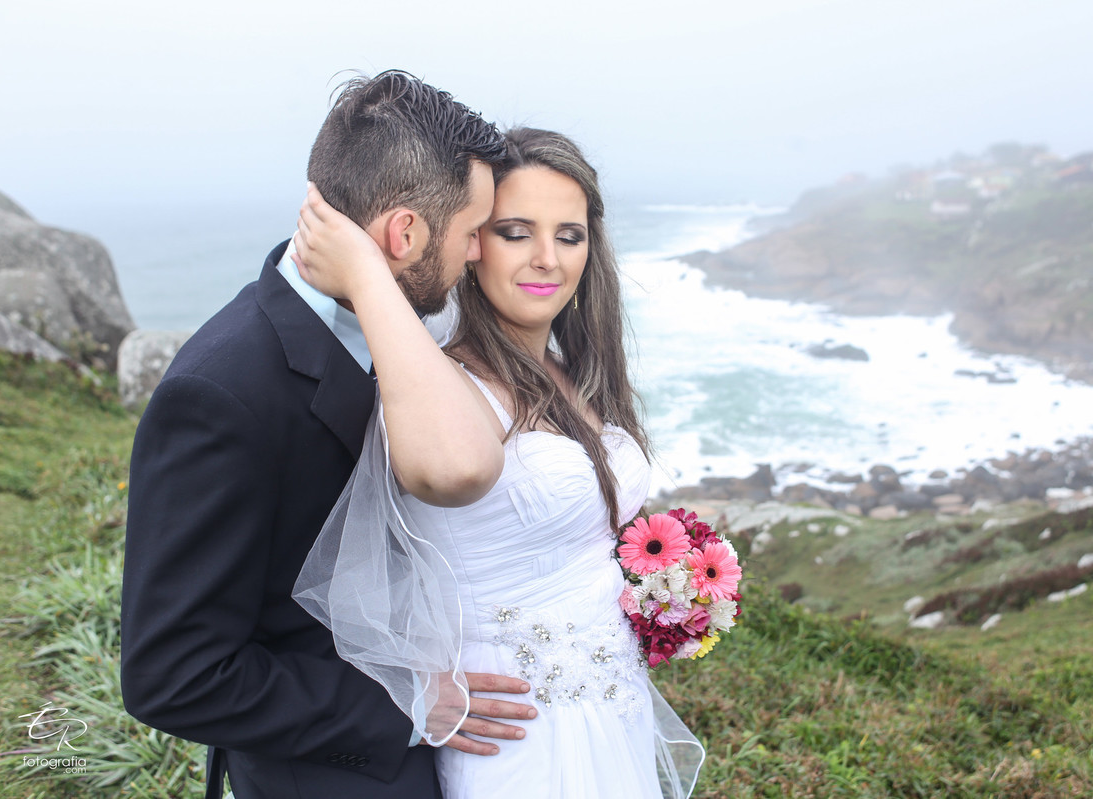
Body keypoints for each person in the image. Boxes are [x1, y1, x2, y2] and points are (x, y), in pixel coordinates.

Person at [120, 71, 538, 799]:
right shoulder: (222, 392)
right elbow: (173, 674)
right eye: (472, 234)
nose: (477, 257)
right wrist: (404, 706)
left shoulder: (409, 324)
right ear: (402, 233)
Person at [291, 127, 705, 798]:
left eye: (569, 236)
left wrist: (667, 580)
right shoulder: (446, 385)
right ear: (473, 243)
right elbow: (454, 473)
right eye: (517, 231)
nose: (547, 259)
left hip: (611, 704)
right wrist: (370, 278)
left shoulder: (572, 374)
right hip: (516, 731)